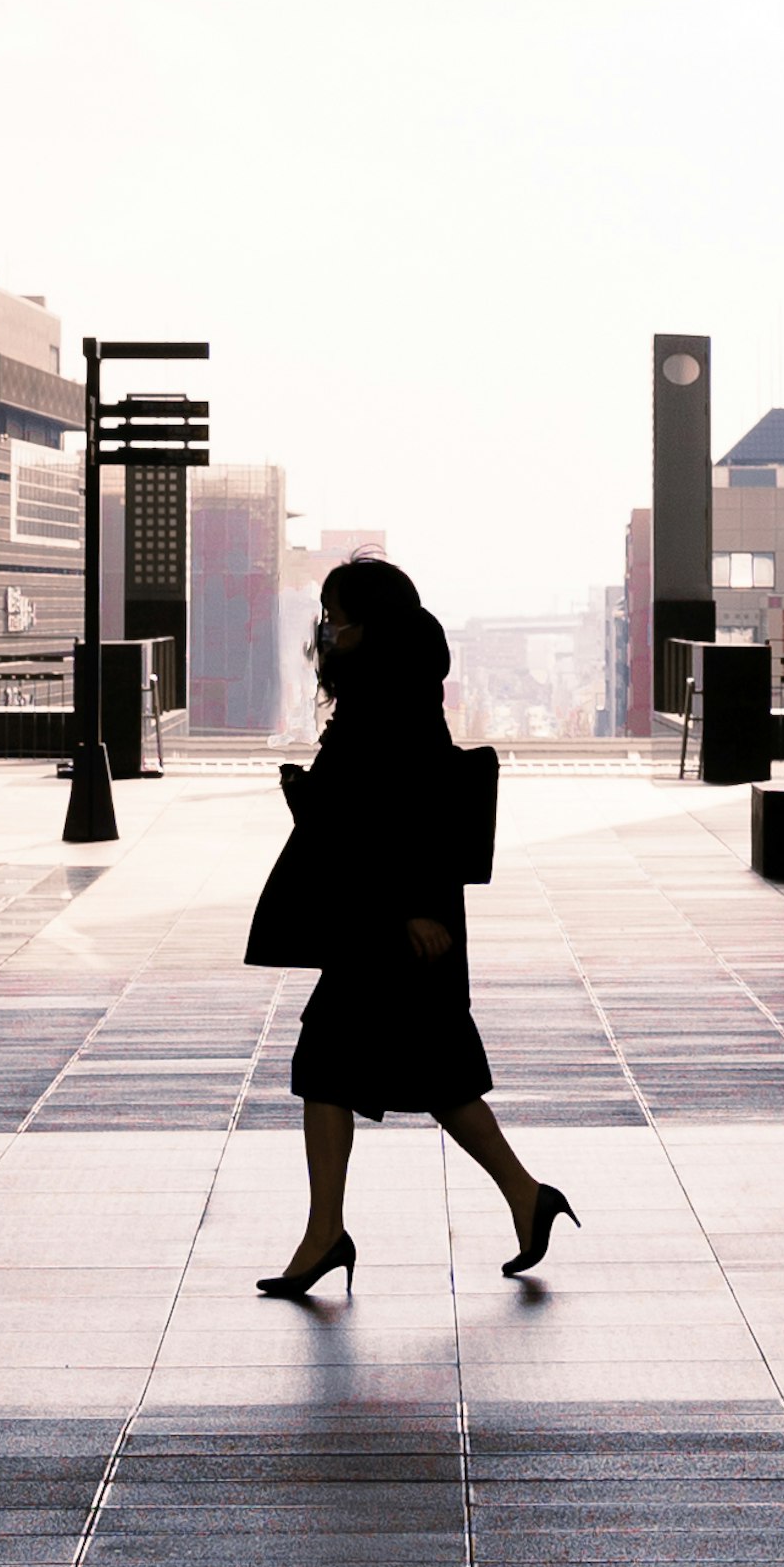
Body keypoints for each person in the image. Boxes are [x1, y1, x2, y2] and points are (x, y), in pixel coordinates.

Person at [254, 555, 572, 1299]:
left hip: (399, 920)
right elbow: (371, 801)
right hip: (386, 914)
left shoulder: (392, 695)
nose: (327, 630)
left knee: (349, 1063)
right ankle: (522, 1199)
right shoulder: (388, 686)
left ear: (372, 622)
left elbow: (418, 803)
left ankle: (330, 1233)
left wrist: (421, 905)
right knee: (424, 1072)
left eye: (337, 616)